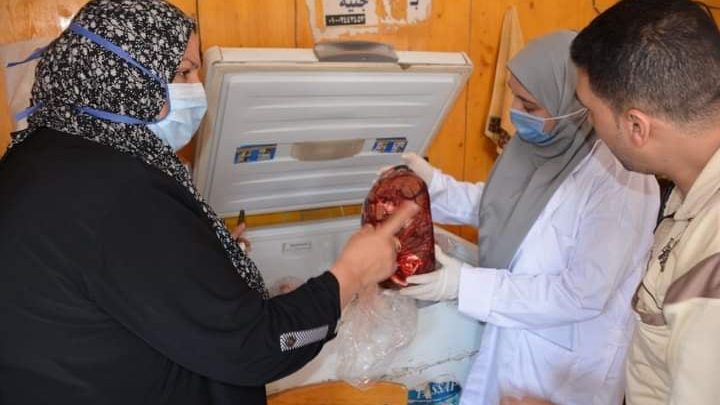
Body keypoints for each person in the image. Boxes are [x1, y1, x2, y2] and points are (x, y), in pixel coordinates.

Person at [0, 1, 419, 404]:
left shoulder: (48, 151)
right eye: (183, 72)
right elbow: (254, 348)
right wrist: (352, 273)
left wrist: (207, 263)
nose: (197, 88)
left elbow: (125, 279)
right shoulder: (114, 189)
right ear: (126, 77)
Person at [395, 31, 660, 404]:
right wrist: (433, 187)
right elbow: (500, 206)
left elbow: (580, 294)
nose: (515, 111)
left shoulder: (622, 179)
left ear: (575, 101)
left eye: (530, 105)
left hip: (563, 366)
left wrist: (463, 285)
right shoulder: (540, 145)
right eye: (513, 96)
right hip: (512, 337)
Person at [571, 0, 720, 403]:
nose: (590, 125)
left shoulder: (711, 259)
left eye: (591, 111)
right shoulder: (691, 193)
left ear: (636, 126)